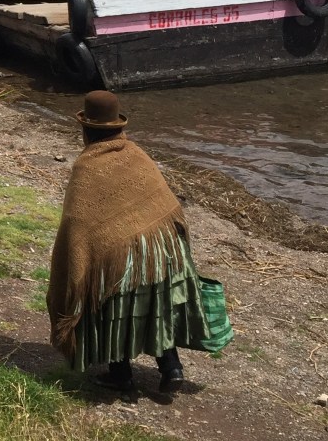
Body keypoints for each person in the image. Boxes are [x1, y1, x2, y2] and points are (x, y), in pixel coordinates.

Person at [47, 91, 210, 394]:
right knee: (155, 302)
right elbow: (167, 205)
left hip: (125, 262)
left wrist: (80, 265)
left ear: (86, 130)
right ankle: (171, 367)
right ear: (118, 127)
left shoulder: (87, 166)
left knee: (107, 291)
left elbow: (77, 226)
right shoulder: (137, 153)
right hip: (162, 253)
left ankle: (121, 375)